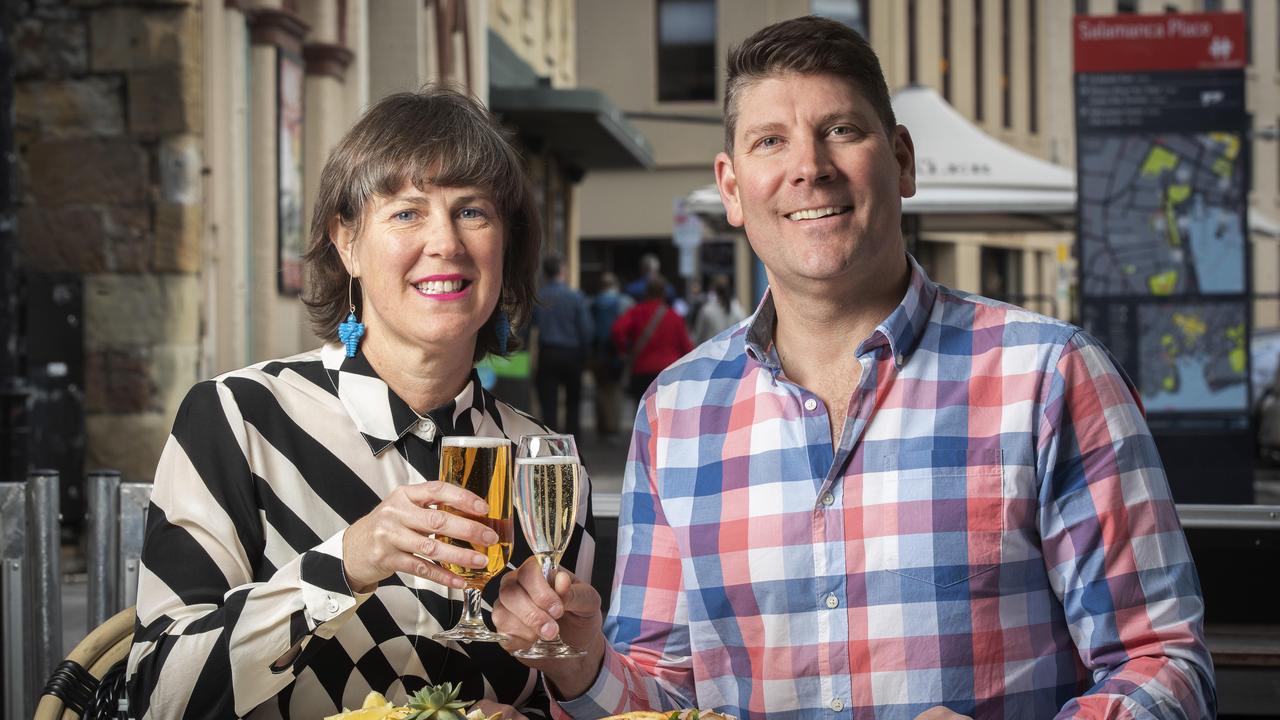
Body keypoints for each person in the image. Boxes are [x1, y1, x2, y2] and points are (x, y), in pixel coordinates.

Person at [493, 16, 1214, 720]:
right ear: (733, 187)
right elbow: (665, 691)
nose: (809, 167)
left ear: (901, 159)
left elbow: (1162, 665)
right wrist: (582, 661)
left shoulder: (1050, 375)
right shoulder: (675, 411)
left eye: (841, 130)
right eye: (770, 141)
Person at [126, 88, 595, 719]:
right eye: (406, 213)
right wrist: (345, 564)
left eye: (473, 212)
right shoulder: (239, 418)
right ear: (347, 242)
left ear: (505, 247)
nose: (446, 243)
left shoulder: (543, 467)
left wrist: (577, 666)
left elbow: (568, 698)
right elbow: (158, 692)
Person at [532, 254, 593, 435]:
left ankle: (551, 441)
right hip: (572, 353)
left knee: (548, 402)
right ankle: (573, 442)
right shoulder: (575, 297)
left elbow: (530, 325)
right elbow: (586, 329)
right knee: (573, 401)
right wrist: (587, 354)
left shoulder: (539, 297)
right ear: (562, 271)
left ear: (545, 273)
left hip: (548, 352)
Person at [609, 275, 693, 401]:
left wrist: (624, 350)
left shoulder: (636, 311)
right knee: (665, 412)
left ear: (646, 292)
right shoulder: (674, 317)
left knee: (642, 412)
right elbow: (687, 347)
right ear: (664, 293)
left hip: (642, 370)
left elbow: (617, 330)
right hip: (668, 372)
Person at [589, 272, 632, 441]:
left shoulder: (592, 303)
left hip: (599, 354)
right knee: (616, 391)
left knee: (600, 390)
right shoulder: (624, 302)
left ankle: (602, 426)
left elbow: (588, 329)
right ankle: (613, 426)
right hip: (617, 354)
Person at [691, 273, 745, 345]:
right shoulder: (737, 308)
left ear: (714, 289)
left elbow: (698, 337)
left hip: (712, 352)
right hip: (732, 352)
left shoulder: (707, 310)